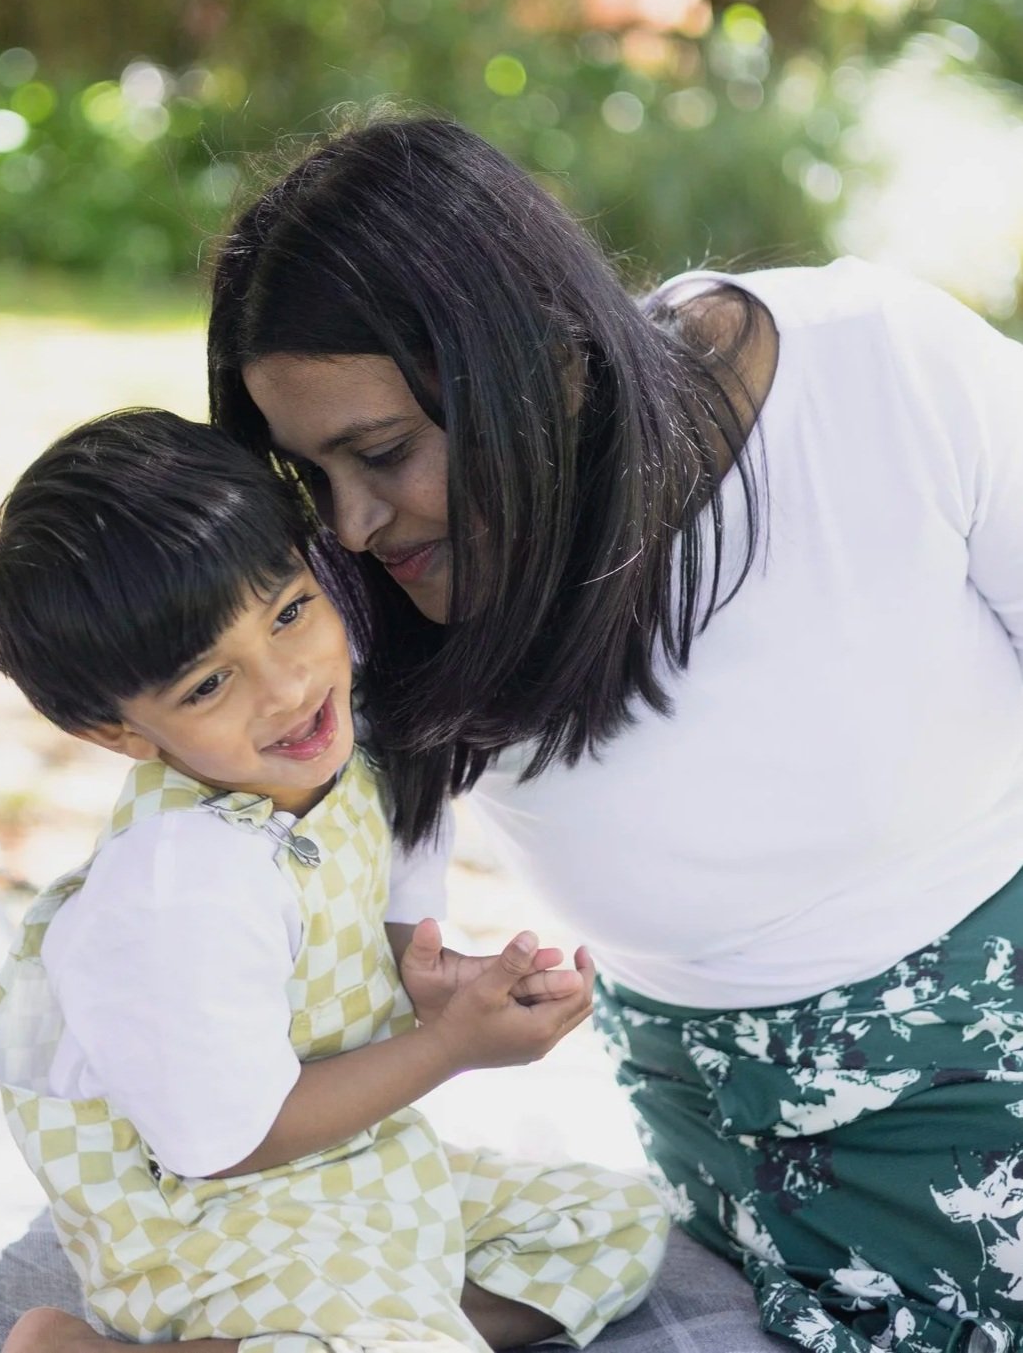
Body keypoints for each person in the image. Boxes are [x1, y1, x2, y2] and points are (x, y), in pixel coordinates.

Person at [205, 116, 1023, 1353]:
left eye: (382, 454)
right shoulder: (354, 591)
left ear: (546, 367)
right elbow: (355, 935)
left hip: (980, 1036)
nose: (354, 524)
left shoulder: (874, 368)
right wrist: (418, 989)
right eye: (313, 476)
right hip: (707, 1099)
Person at [0, 408, 670, 1353]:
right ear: (120, 732)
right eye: (209, 685)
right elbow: (230, 1142)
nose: (289, 686)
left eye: (291, 611)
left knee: (616, 1224)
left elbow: (368, 924)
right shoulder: (180, 889)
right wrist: (448, 1046)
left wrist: (439, 980)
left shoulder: (349, 750)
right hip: (213, 1222)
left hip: (356, 1166)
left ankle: (370, 1324)